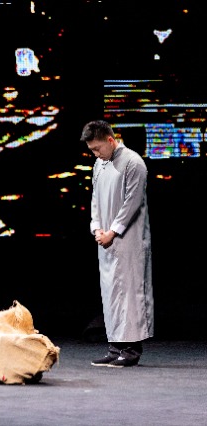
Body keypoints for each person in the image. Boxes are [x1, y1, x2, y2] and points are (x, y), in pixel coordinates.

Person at [80, 120, 154, 368]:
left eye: (97, 148)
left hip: (128, 240)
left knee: (130, 293)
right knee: (111, 293)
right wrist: (96, 228)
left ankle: (131, 350)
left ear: (110, 141)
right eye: (92, 150)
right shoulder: (99, 164)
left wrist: (113, 232)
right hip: (106, 240)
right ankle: (115, 347)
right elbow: (95, 199)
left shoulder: (133, 163)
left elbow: (132, 202)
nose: (95, 154)